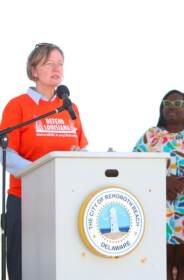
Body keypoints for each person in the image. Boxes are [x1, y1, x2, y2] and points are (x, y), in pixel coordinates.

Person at [0, 43, 88, 280]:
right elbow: (5, 154)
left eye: (60, 63)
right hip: (25, 199)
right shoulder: (17, 105)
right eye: (49, 64)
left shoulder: (70, 108)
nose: (56, 68)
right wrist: (38, 174)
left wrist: (77, 155)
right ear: (34, 70)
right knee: (23, 268)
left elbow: (82, 148)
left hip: (64, 200)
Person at [133, 90, 184, 280]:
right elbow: (135, 164)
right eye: (167, 104)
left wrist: (183, 182)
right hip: (157, 207)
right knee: (162, 264)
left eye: (178, 104)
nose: (171, 108)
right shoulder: (151, 135)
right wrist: (163, 182)